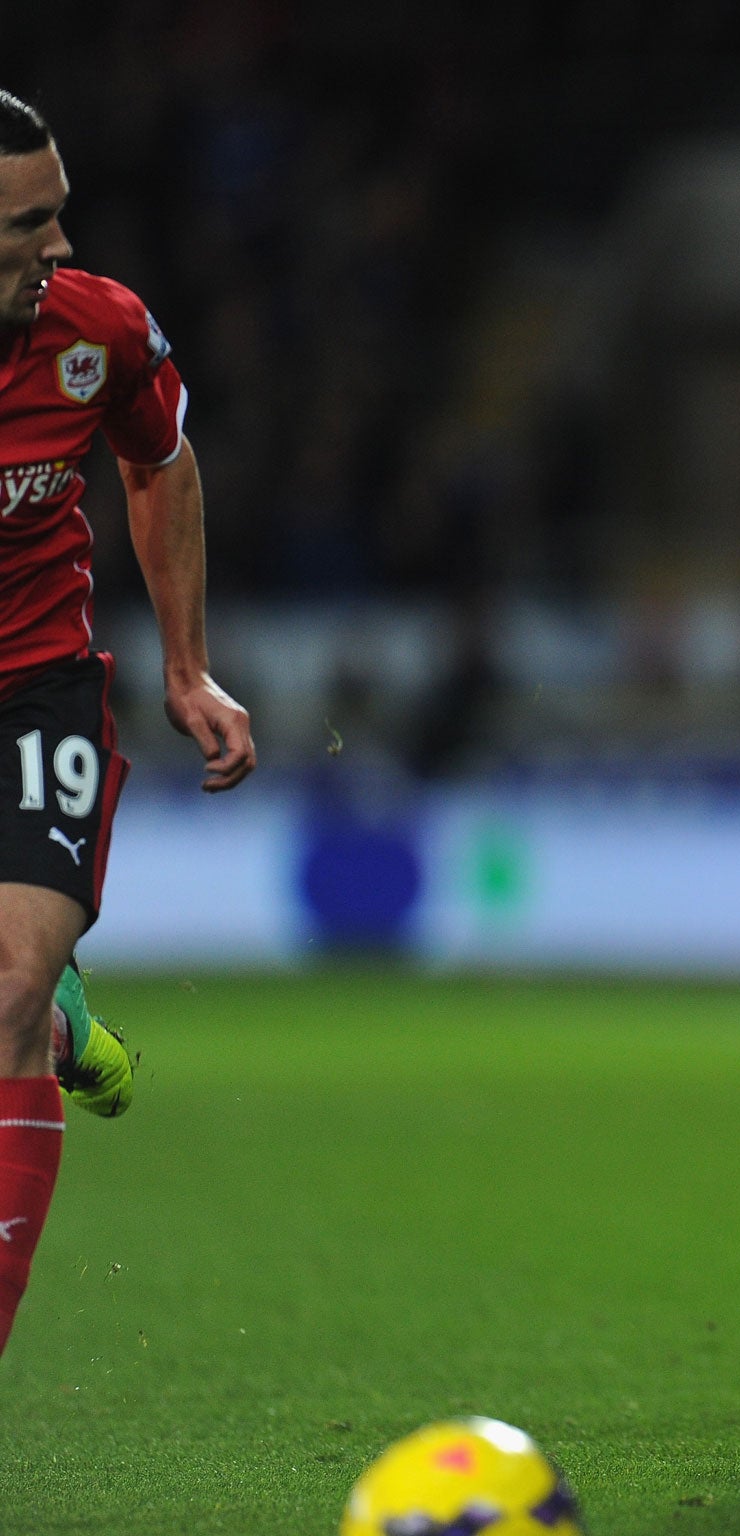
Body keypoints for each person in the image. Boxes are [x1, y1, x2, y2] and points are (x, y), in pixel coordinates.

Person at [0, 93, 255, 1360]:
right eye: (28, 222)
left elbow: (159, 464)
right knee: (16, 1003)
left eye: (61, 211)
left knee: (2, 985)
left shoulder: (95, 330)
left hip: (38, 684)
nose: (59, 243)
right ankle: (56, 1024)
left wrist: (189, 670)